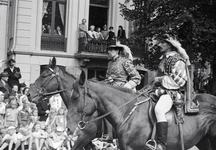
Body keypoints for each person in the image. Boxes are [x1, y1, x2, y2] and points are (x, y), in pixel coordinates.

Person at [152, 34, 190, 150]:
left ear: (170, 45)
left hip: (172, 93)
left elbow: (180, 81)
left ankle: (161, 144)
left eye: (163, 43)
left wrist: (160, 79)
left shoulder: (178, 60)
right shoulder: (164, 59)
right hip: (160, 90)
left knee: (159, 110)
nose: (159, 45)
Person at [105, 40, 141, 142]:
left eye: (111, 50)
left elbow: (137, 77)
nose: (109, 52)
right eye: (108, 50)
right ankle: (109, 134)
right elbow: (108, 76)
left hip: (123, 91)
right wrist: (109, 79)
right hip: (111, 89)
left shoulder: (125, 61)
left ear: (117, 51)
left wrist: (126, 87)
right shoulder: (110, 63)